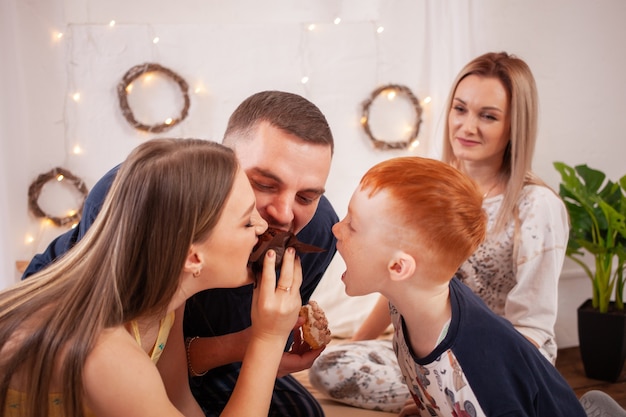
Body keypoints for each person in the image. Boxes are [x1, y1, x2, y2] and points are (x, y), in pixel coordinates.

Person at [21, 91, 338, 417]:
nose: (283, 216)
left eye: (306, 197)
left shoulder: (169, 304)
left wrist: (260, 342)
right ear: (222, 160)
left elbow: (173, 381)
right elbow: (132, 358)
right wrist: (264, 342)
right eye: (265, 185)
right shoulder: (149, 199)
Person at [309, 51, 569, 413]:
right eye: (460, 109)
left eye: (488, 116)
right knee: (330, 367)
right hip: (430, 345)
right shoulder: (435, 184)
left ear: (515, 125)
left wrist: (475, 382)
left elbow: (533, 328)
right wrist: (355, 344)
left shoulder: (537, 206)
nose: (466, 126)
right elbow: (398, 285)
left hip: (497, 360)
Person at [326, 155, 586, 416]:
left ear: (398, 268)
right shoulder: (415, 296)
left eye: (353, 225)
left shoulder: (473, 376)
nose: (336, 229)